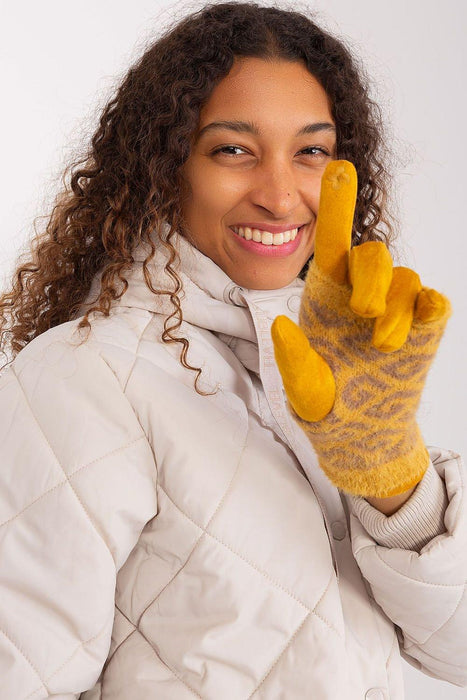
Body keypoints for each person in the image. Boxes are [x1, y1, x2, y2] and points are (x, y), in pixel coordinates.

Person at [0, 3, 466, 698]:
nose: (280, 197)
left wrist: (394, 480)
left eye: (310, 152)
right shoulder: (82, 377)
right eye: (232, 150)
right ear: (166, 167)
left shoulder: (337, 375)